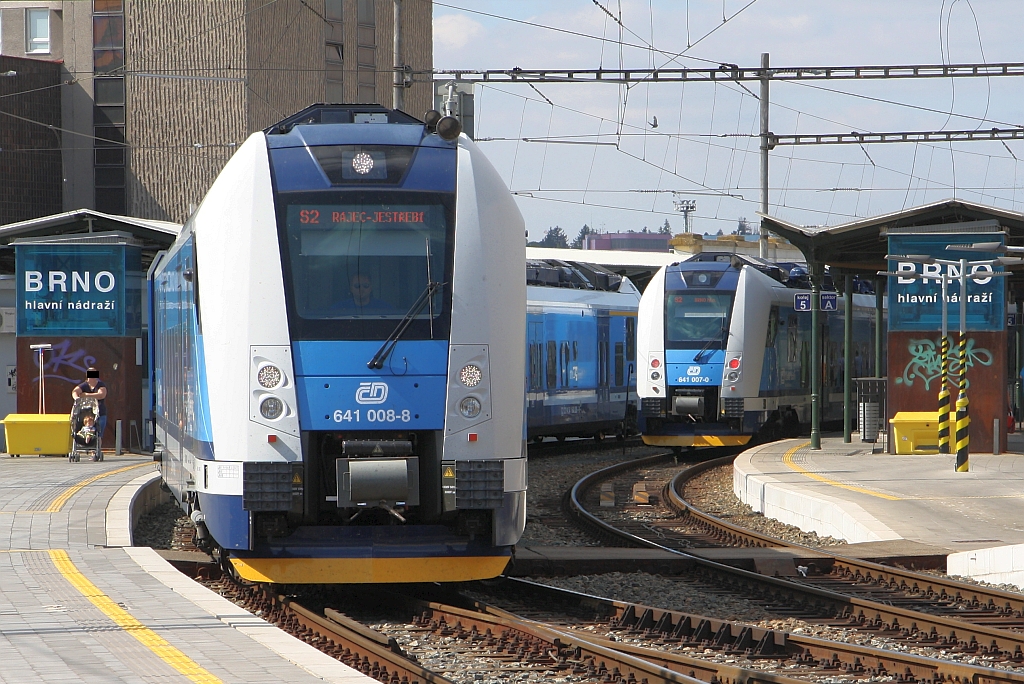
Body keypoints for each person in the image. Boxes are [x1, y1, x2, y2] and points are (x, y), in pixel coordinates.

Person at [72, 367, 108, 443]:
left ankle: (96, 450)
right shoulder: (84, 385)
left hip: (100, 413)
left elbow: (101, 395)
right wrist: (77, 399)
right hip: (87, 414)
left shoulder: (101, 385)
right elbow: (75, 391)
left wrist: (86, 395)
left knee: (98, 434)